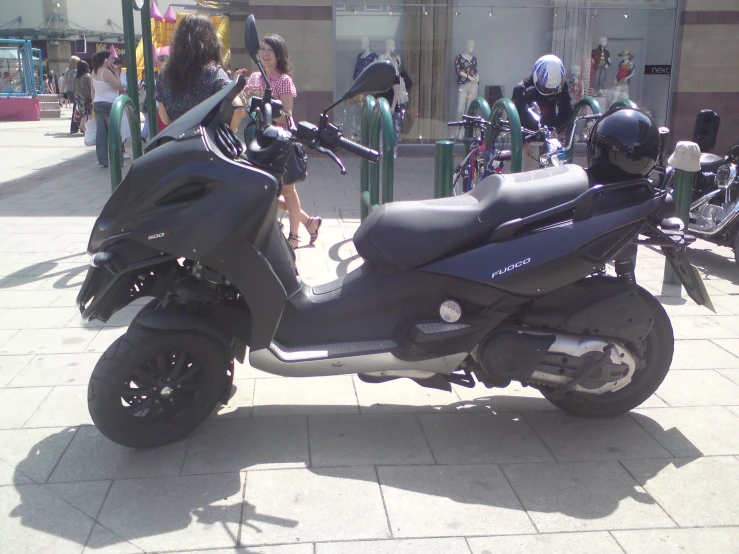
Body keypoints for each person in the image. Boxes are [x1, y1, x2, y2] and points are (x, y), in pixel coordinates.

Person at [237, 35, 321, 250]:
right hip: (258, 141)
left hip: (280, 141)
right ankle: (309, 223)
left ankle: (294, 237)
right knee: (264, 191)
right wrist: (243, 93)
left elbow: (287, 116)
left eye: (270, 50)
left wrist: (264, 103)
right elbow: (245, 107)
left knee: (287, 191)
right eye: (262, 49)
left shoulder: (284, 80)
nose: (264, 54)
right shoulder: (255, 77)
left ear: (278, 55)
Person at [155, 14, 242, 129]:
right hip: (206, 142)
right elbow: (238, 108)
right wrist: (229, 132)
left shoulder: (165, 75)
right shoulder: (214, 73)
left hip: (176, 142)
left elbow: (164, 119)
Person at [512, 55, 572, 171]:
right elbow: (514, 118)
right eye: (546, 89)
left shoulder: (561, 86)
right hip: (528, 135)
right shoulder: (522, 88)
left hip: (550, 132)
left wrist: (557, 129)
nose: (550, 93)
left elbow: (566, 111)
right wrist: (523, 142)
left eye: (553, 90)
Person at [91, 50, 125, 167]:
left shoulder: (93, 72)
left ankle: (103, 159)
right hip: (110, 103)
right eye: (111, 58)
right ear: (105, 60)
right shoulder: (106, 72)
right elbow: (118, 87)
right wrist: (116, 72)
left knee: (101, 133)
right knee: (114, 132)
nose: (113, 60)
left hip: (98, 102)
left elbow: (92, 91)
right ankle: (118, 159)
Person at [73, 60, 93, 134]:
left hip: (77, 96)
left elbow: (74, 87)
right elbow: (91, 86)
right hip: (86, 96)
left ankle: (82, 126)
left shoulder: (75, 77)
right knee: (87, 113)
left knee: (82, 113)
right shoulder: (87, 76)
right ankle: (83, 128)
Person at [64, 55, 80, 130]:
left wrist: (61, 91)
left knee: (76, 107)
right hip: (75, 91)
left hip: (68, 90)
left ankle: (76, 126)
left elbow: (64, 81)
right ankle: (74, 127)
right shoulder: (76, 71)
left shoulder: (67, 70)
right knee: (77, 108)